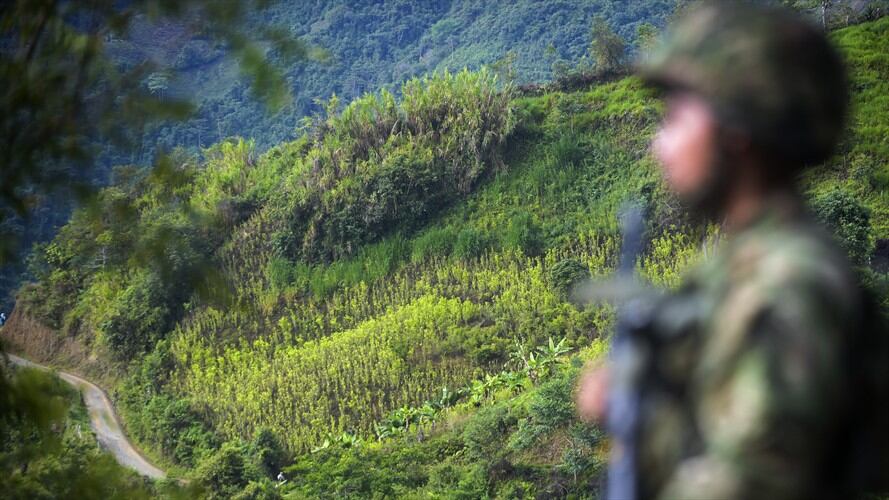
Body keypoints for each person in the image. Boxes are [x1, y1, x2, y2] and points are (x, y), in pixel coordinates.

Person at [576, 3, 887, 499]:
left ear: (737, 130)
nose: (661, 145)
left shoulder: (787, 281)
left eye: (675, 117)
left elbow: (759, 476)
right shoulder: (742, 269)